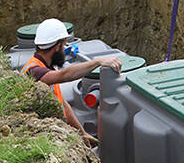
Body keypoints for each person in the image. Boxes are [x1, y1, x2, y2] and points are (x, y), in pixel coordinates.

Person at [21, 18, 122, 147]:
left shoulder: (46, 66)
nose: (64, 50)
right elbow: (65, 75)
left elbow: (63, 105)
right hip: (43, 138)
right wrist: (98, 62)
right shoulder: (34, 70)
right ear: (57, 47)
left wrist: (82, 133)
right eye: (63, 46)